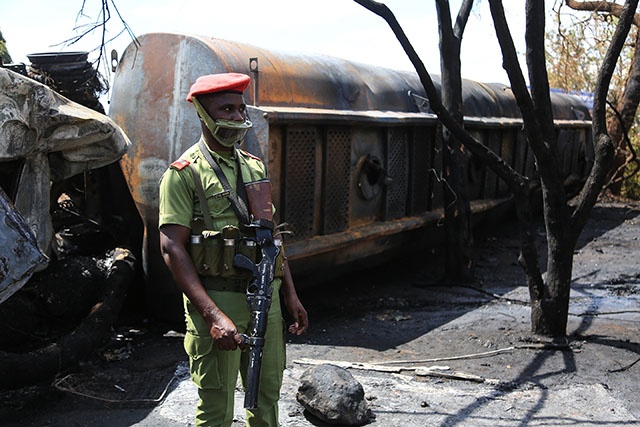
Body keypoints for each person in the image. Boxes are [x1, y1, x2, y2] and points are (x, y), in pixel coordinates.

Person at [158, 72, 308, 427]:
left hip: (265, 303)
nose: (239, 117)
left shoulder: (254, 168)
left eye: (241, 108)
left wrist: (291, 295)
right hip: (217, 299)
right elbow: (171, 249)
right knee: (216, 409)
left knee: (266, 400)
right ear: (203, 114)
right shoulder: (183, 174)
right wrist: (212, 316)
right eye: (227, 109)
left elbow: (271, 241)